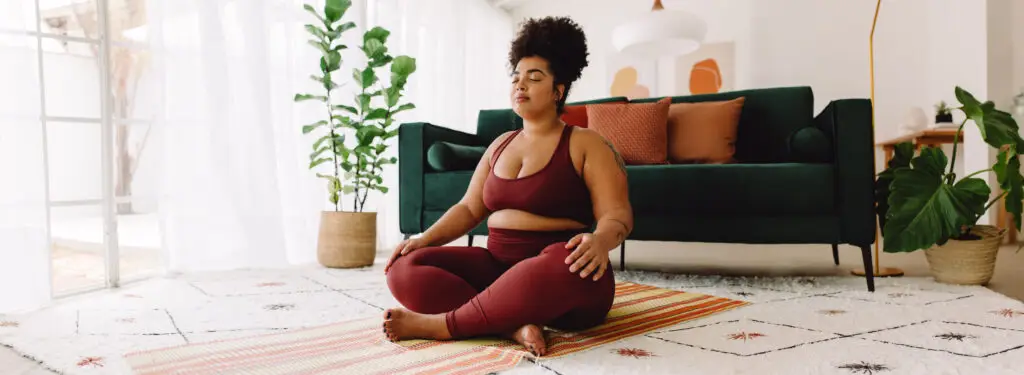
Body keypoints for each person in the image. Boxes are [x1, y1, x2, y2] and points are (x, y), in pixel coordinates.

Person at [382, 16, 632, 357]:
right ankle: (510, 323)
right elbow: (469, 209)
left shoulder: (587, 143)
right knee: (403, 268)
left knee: (565, 260)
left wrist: (600, 240)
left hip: (563, 275)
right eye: (515, 78)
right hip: (498, 268)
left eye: (534, 78)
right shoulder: (499, 144)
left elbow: (617, 215)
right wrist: (422, 239)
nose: (520, 86)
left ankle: (443, 325)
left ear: (558, 91)